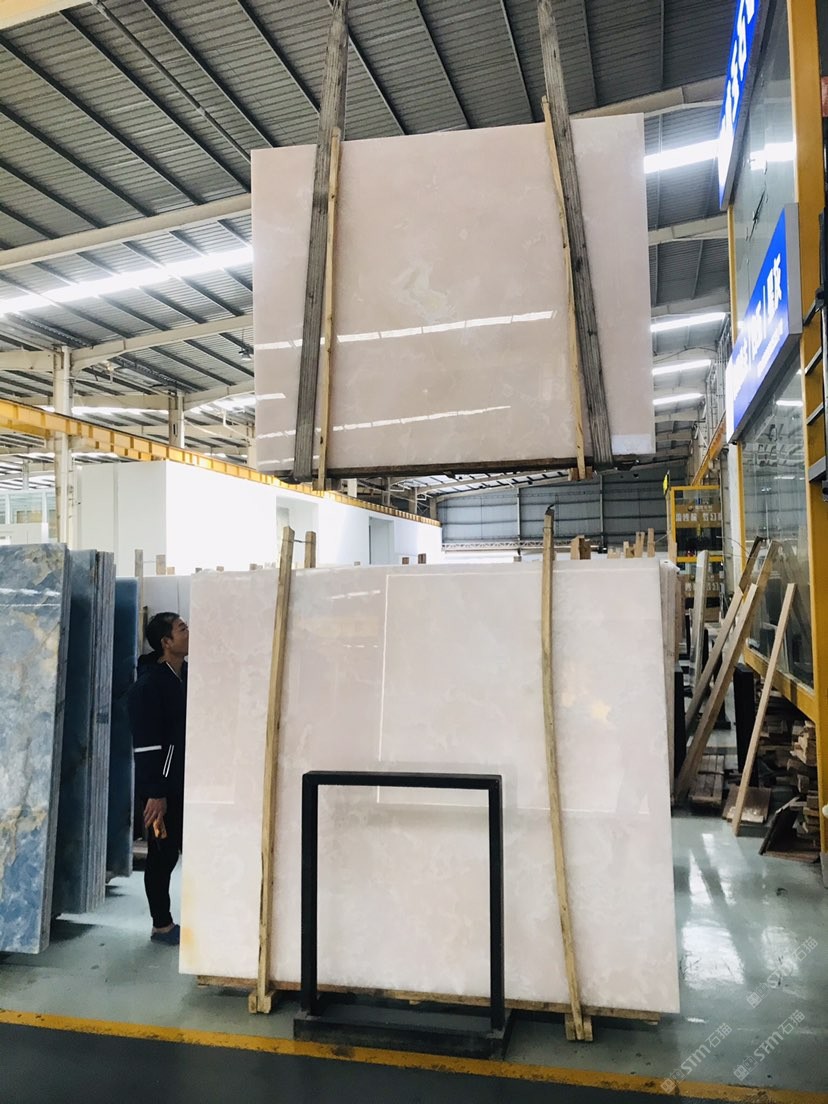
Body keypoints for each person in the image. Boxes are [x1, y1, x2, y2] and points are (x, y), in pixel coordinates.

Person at [128, 611, 189, 946]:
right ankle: (161, 925)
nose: (188, 633)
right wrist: (155, 792)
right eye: (182, 629)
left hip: (184, 781)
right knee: (162, 855)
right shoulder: (149, 685)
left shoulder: (185, 676)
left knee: (175, 852)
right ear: (166, 642)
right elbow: (147, 744)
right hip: (160, 787)